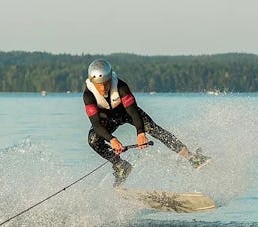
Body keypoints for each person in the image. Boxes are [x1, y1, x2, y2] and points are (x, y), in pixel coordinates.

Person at [83, 59, 210, 187]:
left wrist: (141, 133)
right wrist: (112, 139)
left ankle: (192, 158)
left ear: (111, 78)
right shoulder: (88, 96)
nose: (103, 88)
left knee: (155, 130)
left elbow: (133, 112)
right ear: (93, 82)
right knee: (93, 140)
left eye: (106, 83)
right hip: (107, 121)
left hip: (127, 114)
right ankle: (120, 165)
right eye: (100, 85)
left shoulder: (121, 87)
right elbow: (96, 124)